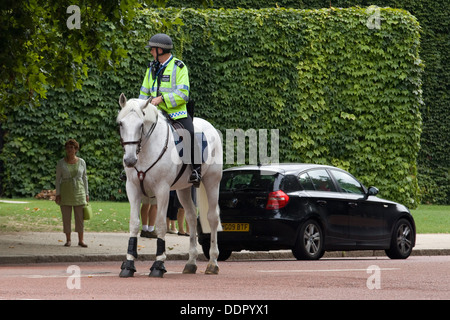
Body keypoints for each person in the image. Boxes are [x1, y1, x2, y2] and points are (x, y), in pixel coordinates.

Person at [139, 33, 202, 186]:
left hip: (176, 114)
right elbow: (143, 91)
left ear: (160, 50)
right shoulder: (151, 67)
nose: (151, 52)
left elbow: (183, 94)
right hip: (154, 114)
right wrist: (139, 108)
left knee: (189, 134)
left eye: (152, 49)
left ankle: (196, 170)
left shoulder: (179, 67)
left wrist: (162, 99)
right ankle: (132, 168)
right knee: (134, 131)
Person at [55, 139, 89, 247]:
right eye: (68, 147)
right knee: (66, 217)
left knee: (80, 218)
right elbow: (57, 180)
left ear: (76, 149)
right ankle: (68, 240)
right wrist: (58, 194)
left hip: (79, 192)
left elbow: (85, 178)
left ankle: (81, 240)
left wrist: (87, 193)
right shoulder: (61, 163)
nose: (70, 149)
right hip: (65, 192)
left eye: (72, 147)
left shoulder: (82, 162)